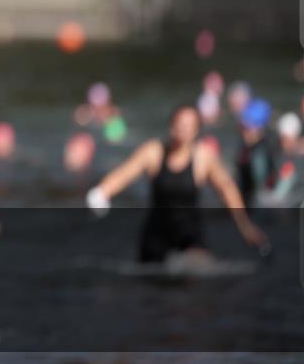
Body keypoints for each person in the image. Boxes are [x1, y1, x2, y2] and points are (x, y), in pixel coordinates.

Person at [86, 104, 266, 263]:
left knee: (197, 273)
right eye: (179, 123)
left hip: (190, 236)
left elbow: (226, 188)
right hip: (156, 236)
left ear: (196, 130)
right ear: (171, 125)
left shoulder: (203, 157)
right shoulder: (154, 151)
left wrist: (244, 225)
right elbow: (124, 173)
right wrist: (102, 192)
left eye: (188, 125)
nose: (183, 129)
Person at [236, 98, 279, 209]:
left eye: (247, 128)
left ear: (259, 129)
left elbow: (259, 191)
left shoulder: (259, 154)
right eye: (242, 127)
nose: (243, 132)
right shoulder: (249, 147)